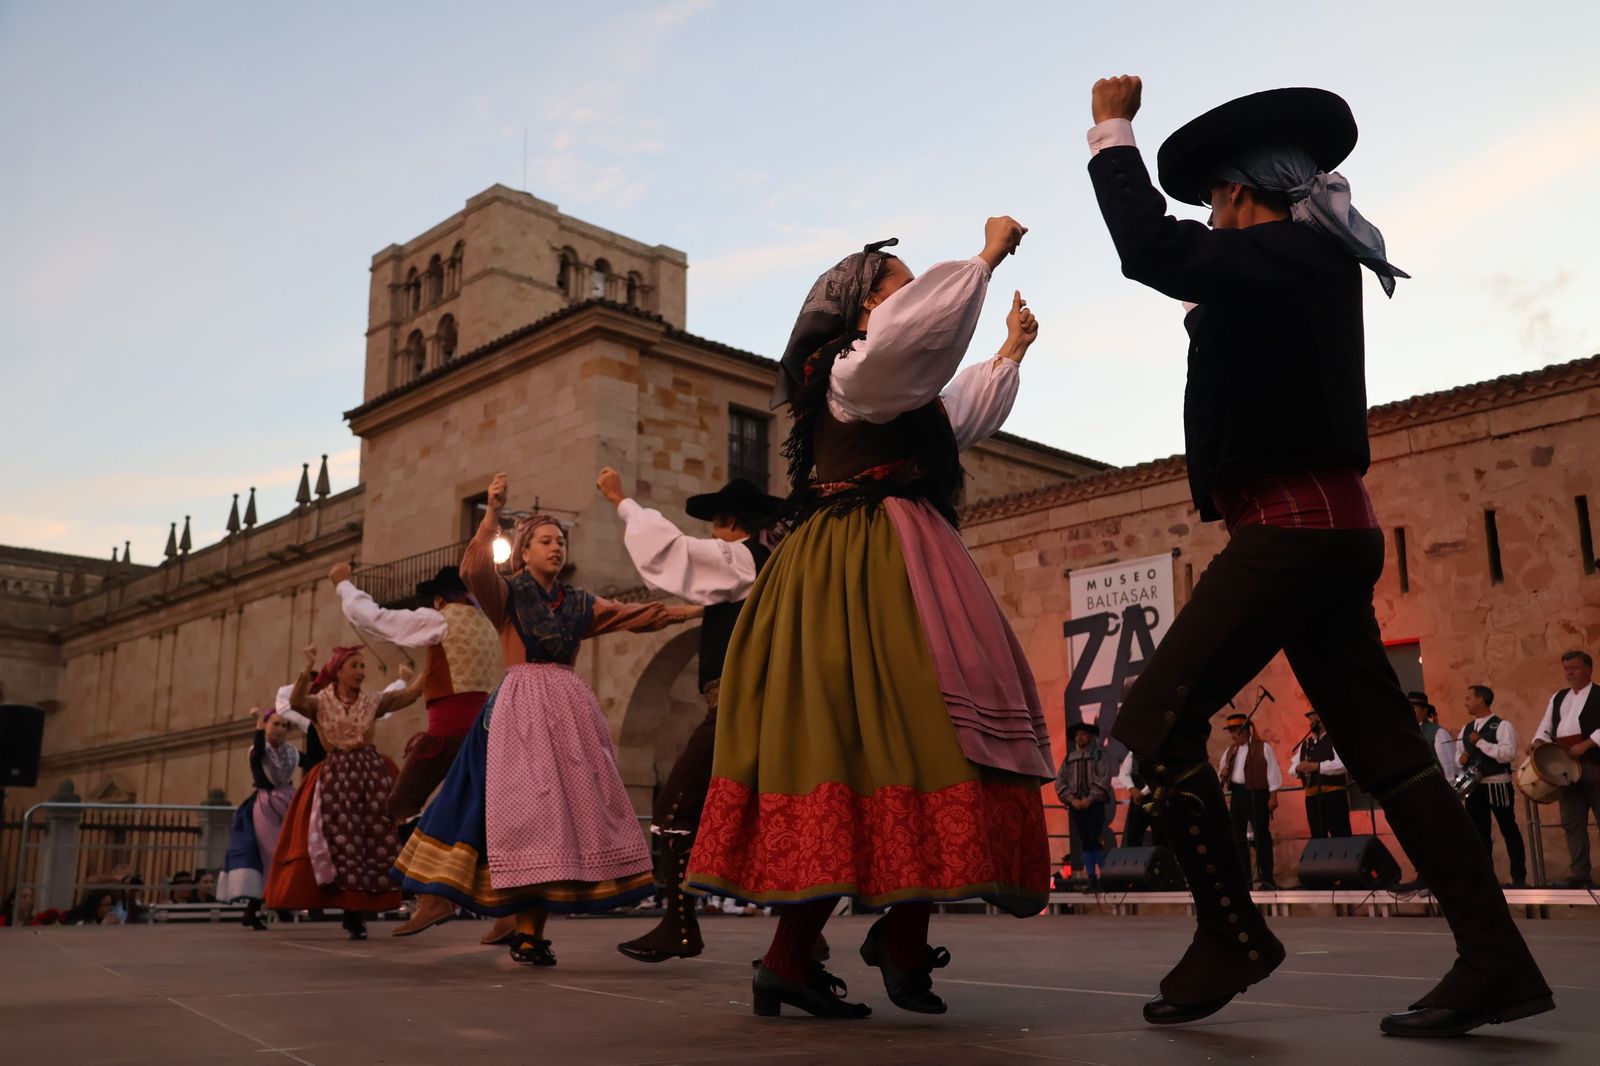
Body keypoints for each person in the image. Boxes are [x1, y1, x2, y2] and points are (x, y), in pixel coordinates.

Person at [1086, 75, 1550, 1036]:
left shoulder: (1291, 252)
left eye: (1213, 199)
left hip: (1292, 534)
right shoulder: (1296, 268)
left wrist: (1111, 130)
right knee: (1391, 755)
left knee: (1157, 719)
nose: (1208, 218)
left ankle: (1233, 934)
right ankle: (1496, 960)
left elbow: (1148, 248)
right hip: (1321, 531)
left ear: (1247, 192)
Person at [684, 218, 1053, 1021]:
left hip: (910, 558)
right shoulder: (849, 369)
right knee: (877, 741)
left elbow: (949, 412)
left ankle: (894, 939)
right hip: (855, 567)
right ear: (859, 309)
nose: (917, 296)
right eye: (901, 286)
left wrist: (1011, 352)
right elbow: (910, 350)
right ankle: (809, 954)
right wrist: (982, 260)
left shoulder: (892, 386)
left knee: (930, 742)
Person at [393, 475, 699, 967]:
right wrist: (490, 513)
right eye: (546, 541)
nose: (556, 548)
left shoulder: (578, 603)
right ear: (524, 551)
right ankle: (486, 913)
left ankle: (527, 930)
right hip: (521, 708)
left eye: (560, 542)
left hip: (568, 710)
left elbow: (636, 615)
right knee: (522, 816)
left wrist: (696, 609)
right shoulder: (506, 595)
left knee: (554, 824)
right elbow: (473, 571)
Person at [597, 469, 806, 966]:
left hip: (739, 705)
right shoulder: (768, 566)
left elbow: (673, 554)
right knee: (770, 817)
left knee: (673, 809)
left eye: (716, 524)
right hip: (762, 706)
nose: (713, 534)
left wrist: (622, 501)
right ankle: (804, 942)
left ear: (731, 521)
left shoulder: (740, 558)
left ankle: (681, 927)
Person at [328, 561, 505, 938]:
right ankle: (509, 909)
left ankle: (431, 895)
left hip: (449, 733)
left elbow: (374, 618)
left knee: (400, 807)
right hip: (489, 733)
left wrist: (344, 584)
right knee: (482, 817)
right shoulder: (488, 625)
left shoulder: (440, 620)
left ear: (441, 597)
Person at [266, 644, 427, 939]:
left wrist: (431, 669)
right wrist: (308, 667)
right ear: (338, 670)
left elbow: (406, 696)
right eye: (354, 666)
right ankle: (345, 909)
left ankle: (357, 912)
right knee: (341, 841)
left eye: (363, 667)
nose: (360, 672)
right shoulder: (320, 702)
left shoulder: (371, 701)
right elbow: (297, 701)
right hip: (336, 778)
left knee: (370, 840)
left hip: (369, 776)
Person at [219, 705, 303, 930]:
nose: (280, 729)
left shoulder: (289, 753)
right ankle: (278, 902)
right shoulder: (258, 750)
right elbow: (258, 753)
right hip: (265, 806)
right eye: (275, 724)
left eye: (284, 725)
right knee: (272, 855)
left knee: (285, 853)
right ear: (266, 725)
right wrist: (257, 725)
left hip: (287, 803)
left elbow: (312, 760)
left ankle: (255, 911)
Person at [1532, 650, 1599, 888]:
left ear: (1588, 669)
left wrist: (1588, 743)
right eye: (1566, 668)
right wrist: (1539, 742)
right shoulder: (1558, 697)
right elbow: (1546, 726)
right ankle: (1580, 873)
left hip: (1595, 764)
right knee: (1572, 821)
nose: (1569, 672)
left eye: (1575, 667)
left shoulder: (1599, 694)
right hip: (1566, 767)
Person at [1455, 686, 1527, 887]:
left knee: (1508, 828)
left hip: (1497, 783)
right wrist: (1461, 759)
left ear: (1481, 699)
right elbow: (1458, 755)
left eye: (1469, 698)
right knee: (1479, 833)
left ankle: (1519, 876)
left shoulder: (1503, 726)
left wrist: (1481, 743)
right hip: (1474, 787)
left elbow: (1507, 754)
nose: (1465, 702)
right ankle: (1486, 879)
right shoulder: (1466, 728)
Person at [1218, 714, 1282, 888]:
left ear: (1245, 730)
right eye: (1231, 732)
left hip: (1257, 794)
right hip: (1238, 795)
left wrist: (1273, 794)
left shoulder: (1262, 747)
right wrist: (1223, 772)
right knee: (1238, 837)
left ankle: (1266, 877)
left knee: (1261, 835)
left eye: (1235, 731)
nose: (1233, 735)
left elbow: (1273, 771)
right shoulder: (1231, 750)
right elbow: (1222, 770)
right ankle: (1244, 878)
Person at [1057, 722, 1113, 889]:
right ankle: (1091, 878)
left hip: (1094, 805)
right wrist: (1072, 800)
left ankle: (1105, 877)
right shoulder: (1069, 759)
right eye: (1077, 735)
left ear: (1090, 736)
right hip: (1076, 806)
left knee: (1095, 839)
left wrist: (1089, 799)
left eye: (1082, 734)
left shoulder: (1099, 756)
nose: (1079, 737)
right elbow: (1060, 782)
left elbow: (1103, 778)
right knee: (1085, 841)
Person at [1293, 710, 1351, 840]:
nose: (1312, 722)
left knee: (1340, 835)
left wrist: (1317, 767)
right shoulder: (1306, 744)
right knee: (1318, 836)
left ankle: (1343, 860)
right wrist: (1298, 768)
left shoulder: (1334, 739)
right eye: (1310, 720)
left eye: (1316, 719)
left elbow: (1342, 765)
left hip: (1333, 796)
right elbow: (1292, 769)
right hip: (1312, 798)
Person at [1115, 749, 1158, 848]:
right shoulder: (1133, 752)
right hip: (1137, 801)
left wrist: (1142, 793)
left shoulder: (1158, 750)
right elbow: (1123, 774)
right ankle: (1134, 862)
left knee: (1159, 834)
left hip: (1155, 799)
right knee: (1133, 837)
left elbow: (1157, 778)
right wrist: (1132, 788)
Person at [1411, 692, 1456, 781]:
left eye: (1413, 708)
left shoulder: (1437, 732)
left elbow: (1449, 767)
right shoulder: (1408, 731)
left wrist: (1451, 786)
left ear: (1424, 710)